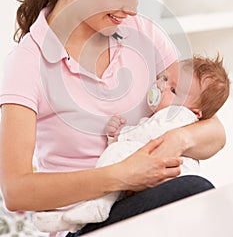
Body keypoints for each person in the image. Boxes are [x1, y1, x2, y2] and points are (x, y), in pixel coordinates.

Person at [0, 0, 226, 237]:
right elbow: (16, 190)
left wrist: (176, 138)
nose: (132, 9)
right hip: (83, 223)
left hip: (148, 206)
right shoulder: (28, 62)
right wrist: (123, 174)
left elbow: (214, 131)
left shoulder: (144, 35)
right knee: (192, 192)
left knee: (197, 197)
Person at [32, 55, 230, 233]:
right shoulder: (31, 63)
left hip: (164, 184)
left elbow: (146, 137)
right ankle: (86, 210)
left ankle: (95, 206)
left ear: (195, 112)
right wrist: (117, 136)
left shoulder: (177, 117)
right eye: (163, 77)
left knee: (119, 155)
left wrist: (121, 137)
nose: (161, 86)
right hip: (141, 192)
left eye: (172, 90)